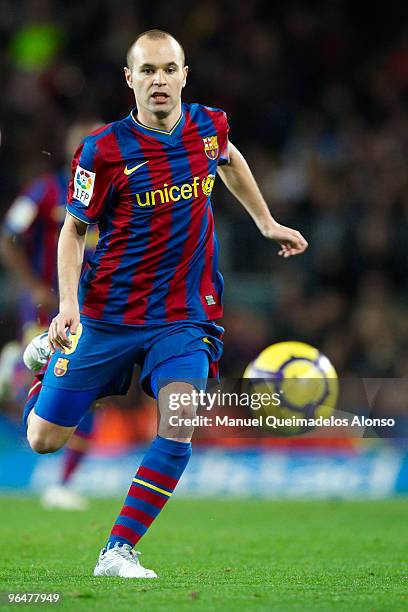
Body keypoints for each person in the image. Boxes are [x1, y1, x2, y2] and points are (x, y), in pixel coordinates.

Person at [22, 29, 308, 578]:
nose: (158, 80)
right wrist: (66, 306)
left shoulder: (208, 125)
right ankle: (41, 364)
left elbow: (227, 158)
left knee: (180, 421)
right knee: (42, 440)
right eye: (147, 71)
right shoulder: (103, 150)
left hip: (184, 315)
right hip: (106, 316)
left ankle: (118, 550)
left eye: (168, 69)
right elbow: (72, 231)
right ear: (130, 79)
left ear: (184, 74)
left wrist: (266, 221)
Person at [0, 120, 100, 510]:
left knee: (94, 394)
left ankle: (65, 482)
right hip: (52, 305)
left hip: (100, 309)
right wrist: (32, 285)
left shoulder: (116, 191)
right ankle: (22, 368)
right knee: (70, 381)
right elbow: (8, 234)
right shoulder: (45, 190)